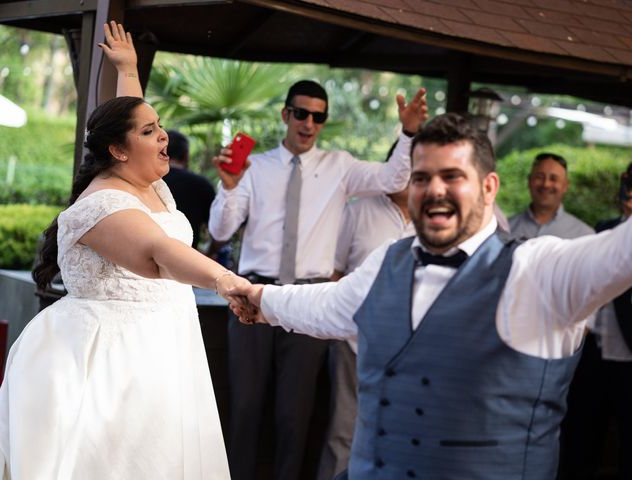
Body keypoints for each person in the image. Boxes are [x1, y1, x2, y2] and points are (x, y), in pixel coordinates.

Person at [99, 20, 428, 479]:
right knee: (246, 407)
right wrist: (231, 188)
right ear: (285, 116)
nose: (309, 123)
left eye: (318, 116)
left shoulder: (341, 166)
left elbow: (394, 180)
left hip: (310, 297)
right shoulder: (254, 167)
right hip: (249, 294)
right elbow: (219, 229)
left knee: (295, 414)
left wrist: (408, 134)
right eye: (301, 113)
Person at [231, 113, 632, 479]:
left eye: (452, 176)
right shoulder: (385, 262)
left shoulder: (540, 271)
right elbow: (324, 305)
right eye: (421, 178)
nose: (433, 190)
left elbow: (621, 252)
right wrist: (259, 298)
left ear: (489, 187)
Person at [0, 95, 253, 479]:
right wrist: (225, 279)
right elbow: (158, 251)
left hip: (167, 350)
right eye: (150, 132)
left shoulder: (150, 187)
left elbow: (130, 116)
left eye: (160, 125)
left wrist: (128, 68)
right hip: (112, 361)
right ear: (118, 150)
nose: (163, 136)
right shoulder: (101, 203)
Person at [317, 177, 415, 480]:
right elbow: (334, 272)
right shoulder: (359, 211)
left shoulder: (438, 219)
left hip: (411, 351)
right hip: (355, 343)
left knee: (403, 435)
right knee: (344, 431)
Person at [558, 163, 632, 480]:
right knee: (581, 437)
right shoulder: (605, 228)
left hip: (630, 359)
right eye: (627, 185)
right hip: (593, 352)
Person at [509, 152, 593, 239]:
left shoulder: (584, 236)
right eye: (540, 177)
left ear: (565, 185)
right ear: (529, 181)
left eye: (553, 178)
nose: (546, 184)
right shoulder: (505, 230)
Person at [163, 129, 216, 249]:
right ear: (186, 156)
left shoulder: (146, 181)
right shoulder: (202, 184)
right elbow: (217, 230)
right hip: (188, 257)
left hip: (145, 260)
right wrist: (210, 253)